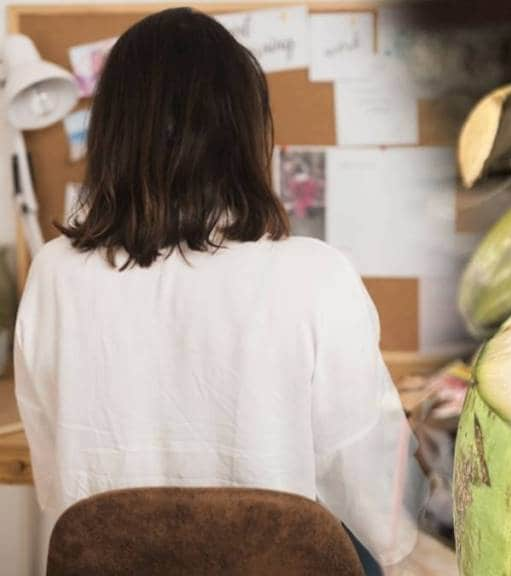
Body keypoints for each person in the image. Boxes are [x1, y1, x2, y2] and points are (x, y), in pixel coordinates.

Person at [14, 8, 422, 573]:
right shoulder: (315, 275)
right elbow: (376, 494)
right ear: (245, 134)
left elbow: (60, 483)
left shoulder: (54, 275)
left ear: (112, 131)